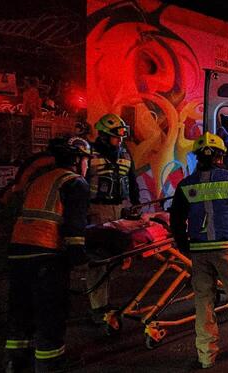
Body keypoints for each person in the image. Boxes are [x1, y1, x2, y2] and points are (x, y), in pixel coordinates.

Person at [170, 132, 228, 369]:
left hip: (199, 251)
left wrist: (186, 247)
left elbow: (176, 221)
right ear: (221, 156)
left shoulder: (185, 185)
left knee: (204, 302)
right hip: (226, 249)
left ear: (197, 157)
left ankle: (206, 354)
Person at [4, 136, 91, 373]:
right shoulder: (76, 183)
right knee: (50, 311)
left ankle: (15, 362)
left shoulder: (39, 179)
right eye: (86, 159)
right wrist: (80, 260)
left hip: (18, 250)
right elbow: (74, 229)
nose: (87, 164)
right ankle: (49, 363)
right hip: (47, 254)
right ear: (78, 159)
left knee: (20, 309)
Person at [85, 113, 140, 324]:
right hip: (97, 209)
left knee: (111, 258)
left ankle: (102, 300)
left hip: (118, 208)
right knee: (99, 259)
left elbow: (132, 181)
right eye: (116, 137)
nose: (120, 140)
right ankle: (98, 306)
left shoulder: (125, 155)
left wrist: (135, 205)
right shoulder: (90, 154)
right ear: (104, 136)